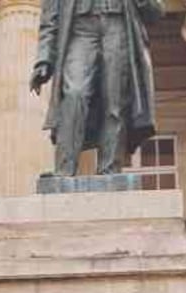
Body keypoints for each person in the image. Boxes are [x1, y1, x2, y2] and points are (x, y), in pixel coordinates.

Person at [30, 0, 163, 175]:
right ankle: (64, 170)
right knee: (74, 94)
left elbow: (155, 11)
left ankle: (110, 170)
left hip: (117, 24)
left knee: (115, 101)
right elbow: (50, 18)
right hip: (80, 30)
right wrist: (44, 59)